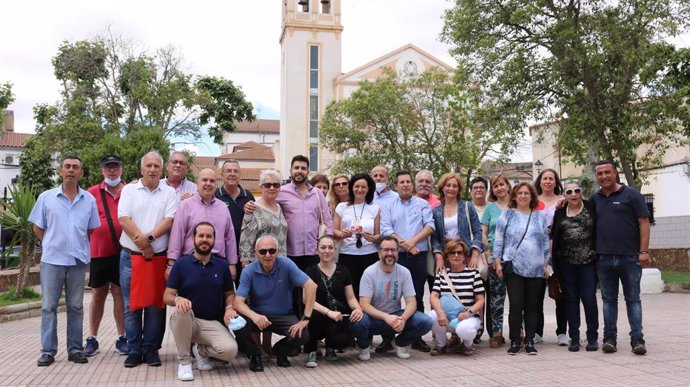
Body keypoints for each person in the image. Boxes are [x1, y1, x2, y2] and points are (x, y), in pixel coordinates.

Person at [164, 222, 262, 380]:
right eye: (201, 236)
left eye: (209, 236)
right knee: (182, 312)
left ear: (214, 240)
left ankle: (201, 351)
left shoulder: (221, 266)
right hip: (187, 320)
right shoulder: (181, 264)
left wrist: (229, 307)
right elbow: (167, 296)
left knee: (230, 351)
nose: (204, 239)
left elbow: (230, 293)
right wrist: (178, 299)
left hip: (211, 323)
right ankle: (184, 362)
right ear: (193, 239)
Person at [30, 156, 100, 367]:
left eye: (75, 167)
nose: (71, 170)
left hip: (77, 261)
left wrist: (74, 245)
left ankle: (75, 350)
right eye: (67, 167)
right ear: (61, 171)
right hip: (52, 260)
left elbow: (91, 228)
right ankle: (48, 351)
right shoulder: (46, 197)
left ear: (81, 173)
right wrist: (53, 244)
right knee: (48, 306)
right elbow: (38, 227)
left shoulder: (89, 200)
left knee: (76, 306)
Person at [118, 151, 178, 368]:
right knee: (131, 305)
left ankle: (151, 349)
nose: (152, 169)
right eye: (149, 166)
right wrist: (143, 244)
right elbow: (124, 218)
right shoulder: (129, 190)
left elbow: (169, 220)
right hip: (130, 258)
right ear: (141, 168)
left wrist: (149, 239)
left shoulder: (169, 192)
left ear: (162, 170)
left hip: (157, 258)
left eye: (156, 166)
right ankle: (134, 350)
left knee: (155, 305)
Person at [233, 235, 318, 368]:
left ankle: (280, 351)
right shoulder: (248, 271)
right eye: (262, 251)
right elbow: (237, 302)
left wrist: (305, 319)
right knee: (237, 322)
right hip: (258, 317)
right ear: (255, 253)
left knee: (303, 334)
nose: (267, 255)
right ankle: (255, 355)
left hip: (283, 315)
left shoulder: (286, 264)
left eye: (272, 251)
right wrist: (254, 316)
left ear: (278, 251)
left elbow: (311, 286)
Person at [592, 160, 650, 355]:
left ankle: (637, 339)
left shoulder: (632, 194)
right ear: (596, 176)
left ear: (615, 173)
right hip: (604, 259)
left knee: (633, 299)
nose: (604, 177)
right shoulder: (595, 199)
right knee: (608, 300)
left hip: (630, 258)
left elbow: (644, 223)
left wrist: (643, 251)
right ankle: (610, 339)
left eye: (607, 172)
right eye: (600, 174)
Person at [350, 237, 433, 361]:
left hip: (396, 317)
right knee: (357, 321)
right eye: (386, 250)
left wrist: (403, 318)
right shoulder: (369, 272)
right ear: (379, 253)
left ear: (398, 254)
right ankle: (364, 346)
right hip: (374, 318)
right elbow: (364, 305)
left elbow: (412, 302)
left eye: (393, 250)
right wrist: (386, 317)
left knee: (426, 321)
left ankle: (400, 343)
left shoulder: (404, 272)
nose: (389, 253)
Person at [492, 182, 551, 355]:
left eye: (527, 193)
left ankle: (530, 340)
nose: (523, 196)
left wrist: (547, 262)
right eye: (520, 193)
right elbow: (499, 239)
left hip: (536, 268)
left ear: (532, 196)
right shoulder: (507, 215)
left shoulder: (540, 216)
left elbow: (545, 242)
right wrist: (497, 261)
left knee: (532, 306)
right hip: (514, 267)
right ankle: (515, 341)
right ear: (515, 196)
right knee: (516, 305)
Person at [381, 170, 435, 352]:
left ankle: (415, 337)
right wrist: (405, 245)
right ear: (395, 186)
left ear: (412, 185)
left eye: (408, 182)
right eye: (401, 182)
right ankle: (387, 339)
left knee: (417, 296)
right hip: (395, 256)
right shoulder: (388, 205)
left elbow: (430, 226)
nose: (405, 184)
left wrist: (411, 242)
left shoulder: (422, 204)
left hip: (417, 255)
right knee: (391, 296)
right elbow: (386, 229)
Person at [431, 172, 484, 348]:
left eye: (455, 185)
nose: (451, 188)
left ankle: (469, 330)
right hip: (446, 255)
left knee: (467, 292)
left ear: (459, 189)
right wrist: (438, 256)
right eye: (448, 185)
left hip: (464, 253)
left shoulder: (467, 207)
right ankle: (451, 333)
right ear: (442, 188)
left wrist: (475, 254)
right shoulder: (436, 210)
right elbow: (435, 237)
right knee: (447, 294)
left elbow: (477, 231)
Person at [84, 155, 127, 357]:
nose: (112, 171)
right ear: (102, 171)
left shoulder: (130, 191)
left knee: (120, 295)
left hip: (124, 252)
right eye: (108, 168)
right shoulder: (92, 193)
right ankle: (92, 338)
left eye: (115, 167)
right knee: (98, 295)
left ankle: (122, 337)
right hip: (99, 252)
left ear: (121, 169)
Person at [551, 180, 599, 352]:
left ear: (581, 192)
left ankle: (592, 337)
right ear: (564, 194)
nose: (573, 194)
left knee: (589, 299)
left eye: (577, 190)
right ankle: (575, 338)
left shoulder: (591, 207)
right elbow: (554, 238)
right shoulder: (559, 212)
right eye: (569, 191)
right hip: (566, 264)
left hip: (588, 263)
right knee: (570, 300)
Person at [303, 236, 364, 367]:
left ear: (335, 250)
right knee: (312, 314)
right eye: (323, 247)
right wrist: (328, 312)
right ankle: (312, 350)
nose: (327, 251)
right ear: (317, 251)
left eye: (330, 247)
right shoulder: (310, 271)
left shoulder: (344, 270)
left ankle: (331, 346)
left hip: (337, 316)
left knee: (343, 340)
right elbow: (306, 299)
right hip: (318, 315)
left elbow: (351, 297)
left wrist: (358, 309)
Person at [167, 168, 238, 279]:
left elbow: (230, 238)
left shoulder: (223, 207)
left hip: (218, 263)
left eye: (212, 181)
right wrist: (171, 264)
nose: (208, 184)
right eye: (205, 180)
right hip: (191, 262)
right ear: (197, 183)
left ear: (216, 185)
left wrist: (232, 264)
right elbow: (177, 235)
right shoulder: (185, 205)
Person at [427, 240, 485, 356]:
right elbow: (433, 296)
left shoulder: (473, 273)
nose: (456, 255)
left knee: (465, 329)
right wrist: (441, 312)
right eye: (452, 253)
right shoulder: (442, 274)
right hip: (448, 319)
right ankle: (441, 345)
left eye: (460, 253)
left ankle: (468, 345)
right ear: (447, 256)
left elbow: (481, 300)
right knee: (432, 316)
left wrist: (469, 312)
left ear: (464, 256)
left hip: (468, 318)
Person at [276, 155, 332, 271]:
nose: (299, 171)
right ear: (290, 171)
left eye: (303, 168)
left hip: (314, 252)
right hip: (290, 253)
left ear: (308, 172)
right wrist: (251, 205)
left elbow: (327, 220)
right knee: (294, 288)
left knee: (313, 287)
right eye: (296, 168)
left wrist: (326, 244)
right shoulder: (281, 192)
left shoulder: (317, 193)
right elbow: (266, 204)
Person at [333, 173, 381, 298]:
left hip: (369, 255)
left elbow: (378, 235)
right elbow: (334, 230)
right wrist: (341, 233)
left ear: (369, 189)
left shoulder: (374, 208)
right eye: (356, 186)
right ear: (351, 187)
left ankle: (367, 315)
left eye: (363, 187)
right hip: (347, 254)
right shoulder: (342, 207)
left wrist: (373, 238)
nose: (360, 190)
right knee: (348, 289)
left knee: (368, 289)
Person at [534, 168, 567, 345]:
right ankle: (537, 331)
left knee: (559, 293)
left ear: (556, 182)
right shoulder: (533, 201)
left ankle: (562, 332)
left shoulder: (562, 202)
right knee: (536, 295)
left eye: (551, 179)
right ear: (540, 181)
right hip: (536, 254)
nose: (547, 181)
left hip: (558, 253)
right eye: (544, 178)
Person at [481, 174, 512, 348]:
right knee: (496, 299)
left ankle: (519, 332)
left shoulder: (517, 205)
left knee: (517, 300)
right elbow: (483, 234)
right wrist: (489, 257)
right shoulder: (490, 208)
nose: (499, 188)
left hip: (516, 260)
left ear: (508, 186)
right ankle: (496, 333)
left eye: (502, 184)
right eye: (495, 186)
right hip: (495, 259)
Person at [215, 159, 256, 286]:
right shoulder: (215, 195)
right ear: (222, 175)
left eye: (235, 171)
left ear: (240, 175)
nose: (232, 174)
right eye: (228, 171)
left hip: (245, 254)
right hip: (222, 254)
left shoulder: (248, 195)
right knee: (221, 290)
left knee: (245, 291)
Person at [239, 169, 288, 265]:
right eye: (268, 185)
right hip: (262, 266)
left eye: (276, 185)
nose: (272, 188)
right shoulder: (253, 209)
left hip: (281, 264)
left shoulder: (279, 207)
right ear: (261, 187)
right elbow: (245, 244)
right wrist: (246, 268)